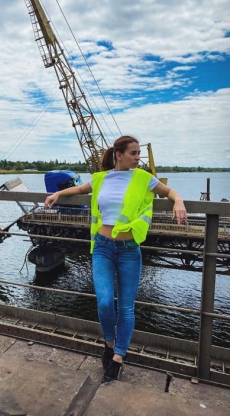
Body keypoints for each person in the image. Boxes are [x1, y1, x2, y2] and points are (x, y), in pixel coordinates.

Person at [44, 135, 187, 383]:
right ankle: (109, 344)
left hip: (129, 249)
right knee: (104, 302)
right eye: (134, 153)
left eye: (139, 153)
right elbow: (80, 189)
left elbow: (169, 191)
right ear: (119, 154)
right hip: (102, 247)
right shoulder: (101, 178)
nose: (138, 157)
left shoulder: (143, 178)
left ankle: (118, 356)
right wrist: (57, 195)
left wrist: (179, 201)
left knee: (126, 307)